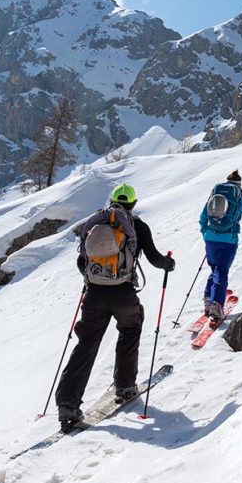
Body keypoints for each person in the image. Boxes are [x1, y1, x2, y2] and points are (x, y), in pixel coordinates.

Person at [56, 183, 175, 431]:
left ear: (112, 200)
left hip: (94, 294)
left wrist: (92, 279)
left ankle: (67, 404)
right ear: (133, 203)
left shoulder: (94, 223)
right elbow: (153, 258)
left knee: (86, 344)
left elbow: (82, 261)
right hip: (122, 293)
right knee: (130, 329)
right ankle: (125, 386)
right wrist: (168, 264)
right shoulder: (137, 225)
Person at [198, 171, 242, 322]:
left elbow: (202, 217)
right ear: (239, 184)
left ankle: (208, 299)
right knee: (222, 271)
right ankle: (217, 305)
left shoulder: (216, 192)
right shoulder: (240, 195)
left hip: (210, 239)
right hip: (228, 240)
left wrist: (206, 233)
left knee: (215, 269)